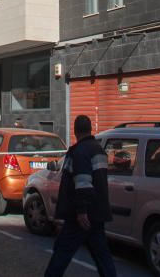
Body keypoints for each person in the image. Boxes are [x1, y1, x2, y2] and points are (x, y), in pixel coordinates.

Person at [44, 115, 116, 277]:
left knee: (61, 254)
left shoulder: (80, 152)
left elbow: (83, 182)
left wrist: (81, 210)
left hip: (80, 216)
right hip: (97, 213)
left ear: (75, 131)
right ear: (90, 129)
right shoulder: (98, 150)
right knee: (103, 257)